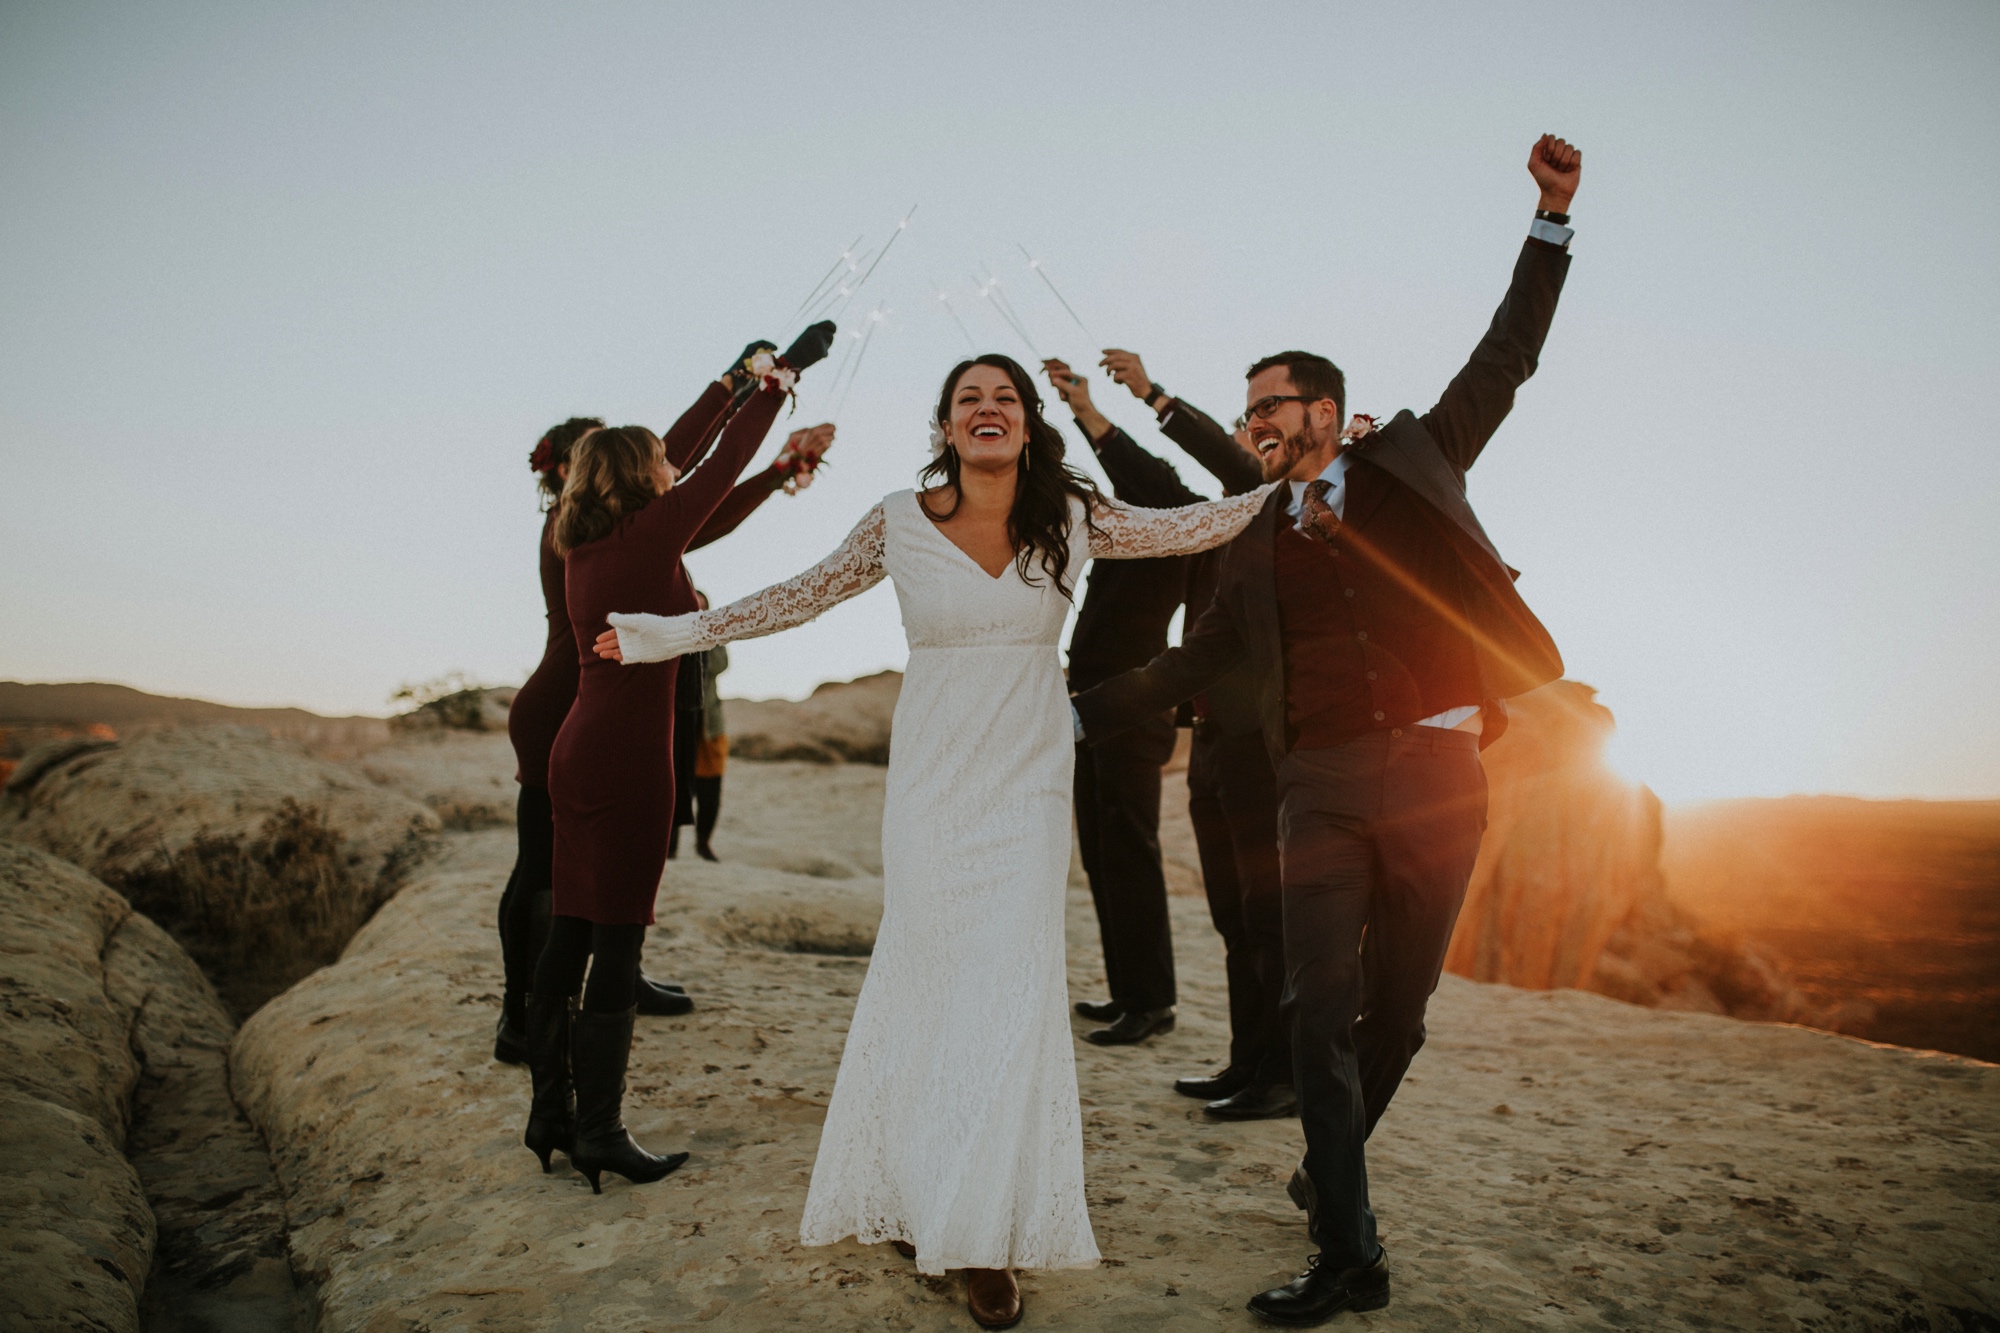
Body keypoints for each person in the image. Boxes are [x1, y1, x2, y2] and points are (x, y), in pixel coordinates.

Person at [594, 353, 1276, 1329]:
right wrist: (663, 635)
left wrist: (1297, 485)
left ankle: (983, 1234)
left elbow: (1195, 522)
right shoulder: (897, 520)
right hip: (931, 783)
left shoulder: (1074, 513)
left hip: (1027, 777)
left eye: (1004, 398)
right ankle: (919, 1187)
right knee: (929, 976)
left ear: (1028, 425)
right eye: (969, 400)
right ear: (945, 426)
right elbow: (797, 596)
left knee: (1007, 985)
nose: (986, 410)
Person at [1072, 135, 1582, 1324]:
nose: (1253, 422)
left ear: (1327, 411)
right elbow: (1205, 660)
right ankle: (1347, 1249)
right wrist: (1081, 708)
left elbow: (1505, 358)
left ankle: (1326, 1160)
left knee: (1394, 1013)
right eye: (1245, 408)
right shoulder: (1247, 537)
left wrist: (1549, 221)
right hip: (1323, 785)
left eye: (1270, 405)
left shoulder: (1413, 459)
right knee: (1315, 1009)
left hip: (1444, 772)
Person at [523, 322, 835, 1196]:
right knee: (616, 946)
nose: (671, 469)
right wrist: (772, 387)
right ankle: (601, 1130)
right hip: (625, 763)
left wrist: (755, 405)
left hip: (576, 753)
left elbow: (698, 473)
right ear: (640, 481)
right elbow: (714, 465)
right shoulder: (646, 539)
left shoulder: (582, 542)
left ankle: (549, 1112)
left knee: (573, 934)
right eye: (658, 465)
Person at [1043, 354, 1294, 1119]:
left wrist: (1129, 401)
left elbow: (1156, 466)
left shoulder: (1250, 504)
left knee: (1254, 911)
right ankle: (1246, 1061)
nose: (1233, 441)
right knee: (1227, 913)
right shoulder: (1196, 522)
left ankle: (1257, 1062)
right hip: (1203, 728)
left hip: (1241, 734)